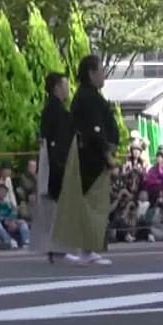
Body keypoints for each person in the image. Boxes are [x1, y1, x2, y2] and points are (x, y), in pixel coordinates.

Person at [53, 55, 118, 266]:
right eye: (100, 70)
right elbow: (94, 130)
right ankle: (88, 249)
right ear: (91, 73)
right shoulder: (88, 97)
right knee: (93, 203)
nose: (103, 75)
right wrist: (107, 156)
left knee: (91, 203)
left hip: (89, 155)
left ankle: (86, 248)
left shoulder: (86, 95)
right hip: (91, 157)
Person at [32, 72, 80, 264]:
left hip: (50, 160)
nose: (67, 89)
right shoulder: (56, 111)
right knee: (59, 206)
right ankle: (59, 249)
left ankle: (55, 248)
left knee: (53, 207)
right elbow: (59, 141)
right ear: (56, 88)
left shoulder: (51, 109)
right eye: (65, 85)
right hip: (56, 162)